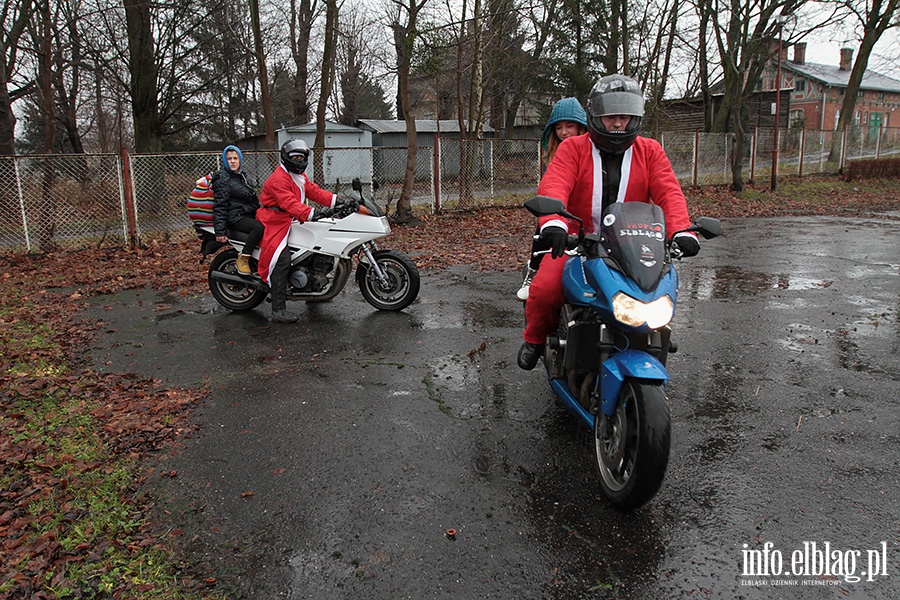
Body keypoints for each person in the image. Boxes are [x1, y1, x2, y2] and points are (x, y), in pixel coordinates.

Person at [517, 74, 700, 370]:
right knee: (546, 289)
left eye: (625, 117)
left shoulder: (650, 151)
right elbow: (555, 185)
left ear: (635, 117)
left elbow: (670, 193)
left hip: (633, 242)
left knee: (655, 297)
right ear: (595, 116)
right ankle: (536, 340)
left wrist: (681, 230)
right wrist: (554, 224)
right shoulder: (573, 148)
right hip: (578, 241)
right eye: (611, 116)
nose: (618, 123)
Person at [256, 140, 339, 323]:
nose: (299, 160)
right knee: (282, 258)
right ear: (286, 158)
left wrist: (336, 201)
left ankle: (313, 290)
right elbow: (289, 203)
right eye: (295, 157)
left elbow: (313, 191)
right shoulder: (278, 178)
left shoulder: (298, 176)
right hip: (273, 221)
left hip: (288, 219)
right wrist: (312, 213)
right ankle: (278, 309)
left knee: (316, 245)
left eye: (301, 157)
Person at [517, 97, 588, 301]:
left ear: (581, 127)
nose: (564, 132)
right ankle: (533, 270)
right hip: (561, 210)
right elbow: (553, 185)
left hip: (586, 211)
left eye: (569, 126)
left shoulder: (592, 152)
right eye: (559, 127)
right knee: (543, 232)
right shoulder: (554, 154)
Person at [212, 144, 264, 275]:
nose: (233, 161)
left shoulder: (243, 176)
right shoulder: (222, 178)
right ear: (225, 160)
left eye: (235, 158)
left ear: (240, 159)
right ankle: (244, 258)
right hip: (235, 217)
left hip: (246, 213)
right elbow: (220, 205)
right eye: (229, 158)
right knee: (259, 228)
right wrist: (220, 231)